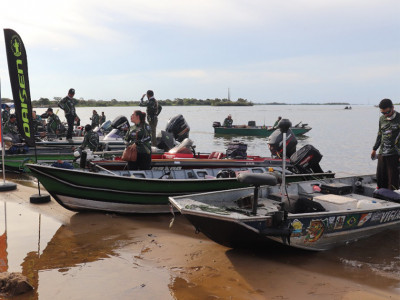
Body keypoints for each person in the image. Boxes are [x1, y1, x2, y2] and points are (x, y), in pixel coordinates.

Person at [371, 98, 400, 190]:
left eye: (387, 112)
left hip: (395, 154)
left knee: (393, 181)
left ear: (392, 107)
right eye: (383, 113)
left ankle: (394, 199)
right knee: (380, 178)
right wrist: (374, 149)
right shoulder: (382, 119)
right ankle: (381, 197)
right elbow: (380, 134)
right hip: (382, 153)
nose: (386, 115)